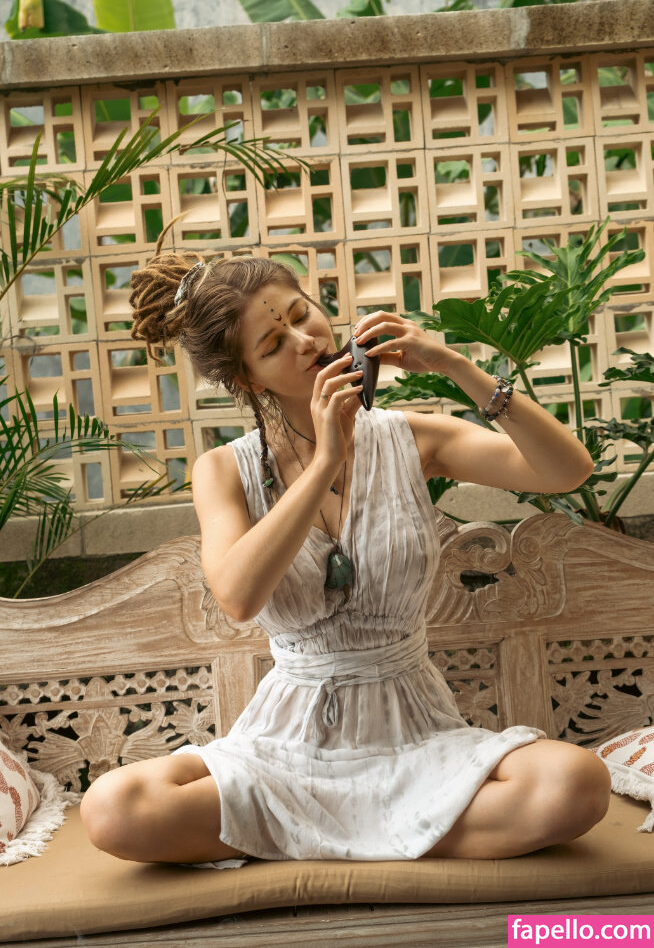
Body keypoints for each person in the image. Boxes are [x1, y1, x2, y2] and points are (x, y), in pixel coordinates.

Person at [80, 225, 611, 866]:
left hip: (416, 737)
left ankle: (317, 839)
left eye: (302, 314)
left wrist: (456, 366)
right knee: (115, 808)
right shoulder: (223, 471)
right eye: (274, 344)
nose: (306, 341)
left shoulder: (412, 438)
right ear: (250, 380)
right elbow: (239, 598)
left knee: (576, 784)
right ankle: (399, 836)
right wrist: (326, 457)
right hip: (285, 750)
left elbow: (567, 471)